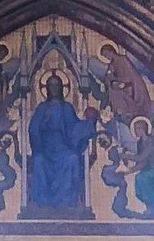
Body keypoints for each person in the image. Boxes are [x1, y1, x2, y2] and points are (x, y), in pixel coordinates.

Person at [27, 76, 98, 214]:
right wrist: (43, 124)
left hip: (63, 145)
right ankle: (42, 202)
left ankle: (67, 201)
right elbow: (33, 129)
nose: (54, 88)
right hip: (45, 146)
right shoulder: (42, 108)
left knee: (71, 158)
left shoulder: (67, 108)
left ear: (61, 88)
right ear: (46, 89)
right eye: (51, 85)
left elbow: (74, 128)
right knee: (39, 160)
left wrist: (90, 122)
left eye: (56, 85)